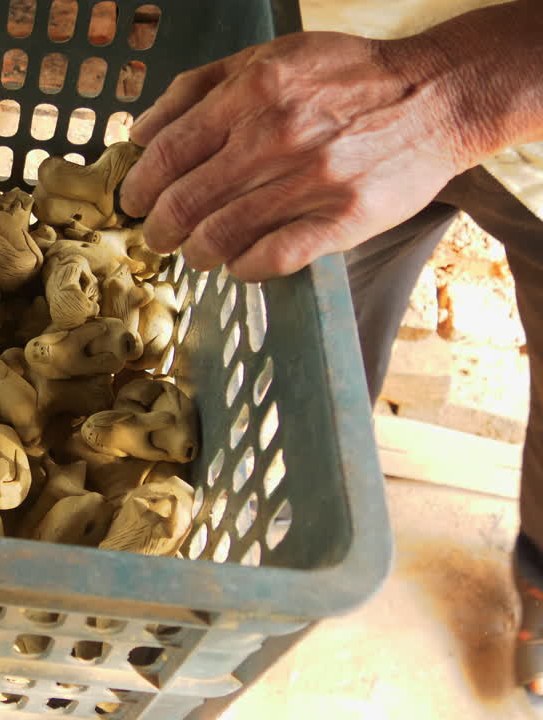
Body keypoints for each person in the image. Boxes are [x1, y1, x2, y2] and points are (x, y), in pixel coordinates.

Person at [117, 0, 543, 696]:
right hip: (325, 76)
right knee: (298, 392)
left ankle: (540, 572)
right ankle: (246, 563)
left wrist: (449, 93)